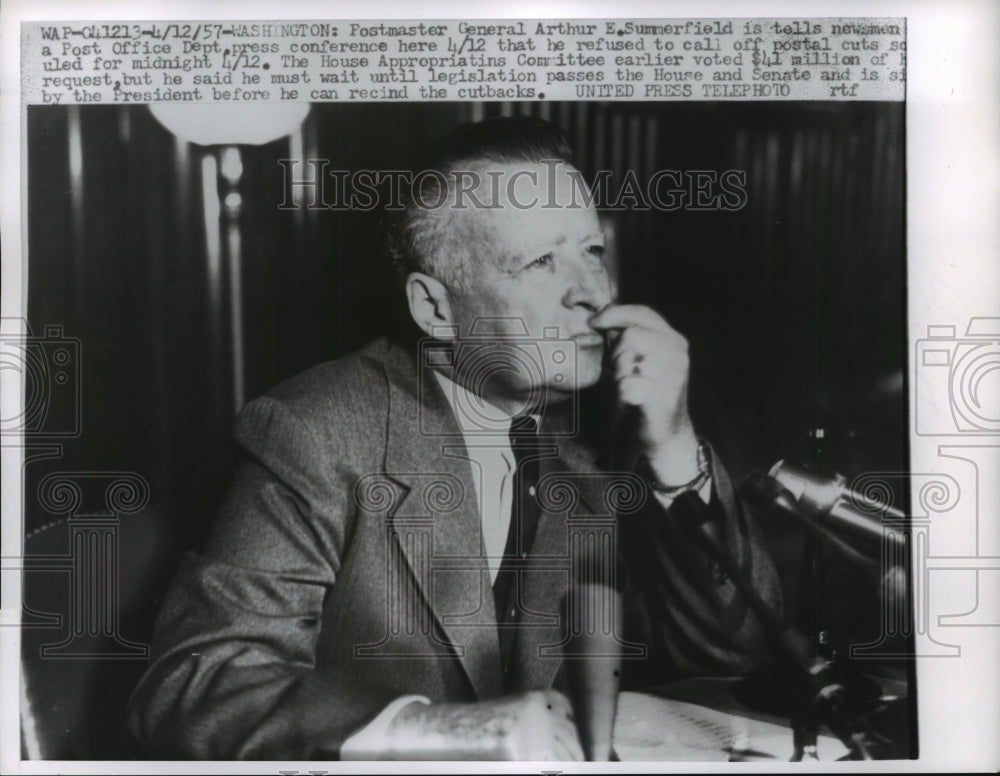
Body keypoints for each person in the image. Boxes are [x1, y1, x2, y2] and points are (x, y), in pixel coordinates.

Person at [127, 116, 781, 760]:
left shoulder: (596, 444)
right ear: (434, 308)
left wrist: (672, 446)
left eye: (592, 252)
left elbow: (734, 654)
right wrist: (457, 732)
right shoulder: (315, 430)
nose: (591, 294)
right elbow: (198, 690)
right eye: (540, 263)